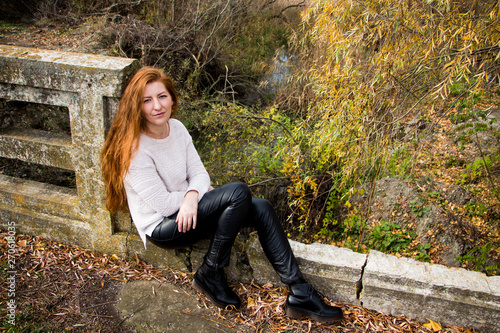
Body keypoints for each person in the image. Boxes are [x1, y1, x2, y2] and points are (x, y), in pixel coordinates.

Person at [101, 66, 343, 323]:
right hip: (164, 226)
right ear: (136, 107)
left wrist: (194, 195)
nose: (157, 106)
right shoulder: (135, 149)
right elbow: (161, 204)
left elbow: (200, 174)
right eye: (146, 100)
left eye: (162, 96)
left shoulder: (178, 128)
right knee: (238, 191)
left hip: (189, 211)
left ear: (172, 97)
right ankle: (210, 272)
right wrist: (195, 196)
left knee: (260, 207)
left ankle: (300, 292)